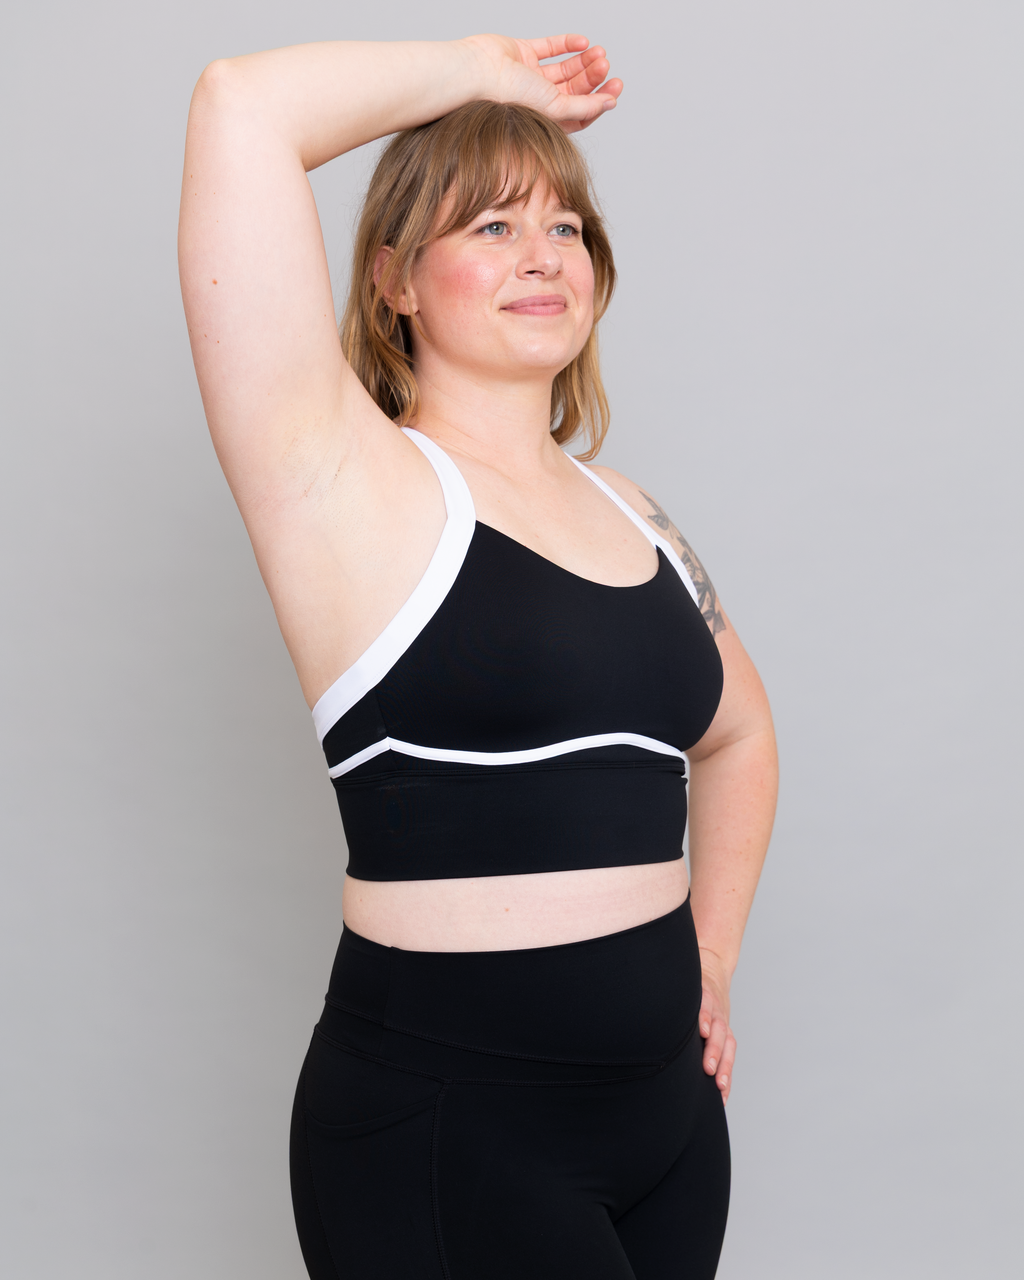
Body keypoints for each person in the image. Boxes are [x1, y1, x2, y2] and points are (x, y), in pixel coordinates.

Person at [179, 31, 777, 1280]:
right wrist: (487, 75)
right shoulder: (342, 477)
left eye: (563, 226)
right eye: (491, 227)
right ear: (395, 278)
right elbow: (243, 107)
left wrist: (708, 957)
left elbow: (738, 732)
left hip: (666, 1125)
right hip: (455, 1132)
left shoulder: (634, 511)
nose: (541, 255)